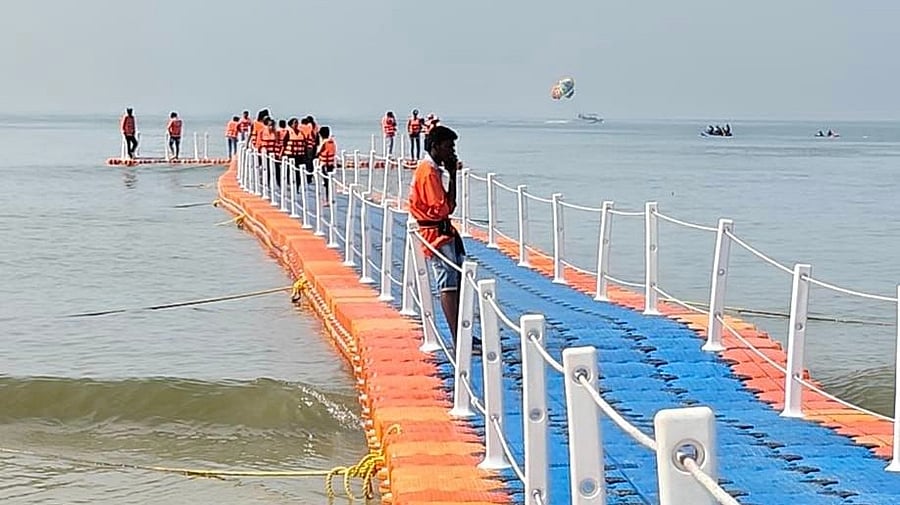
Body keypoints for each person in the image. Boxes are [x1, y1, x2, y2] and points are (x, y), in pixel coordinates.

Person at [408, 125, 464, 341]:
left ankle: (463, 332)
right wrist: (452, 175)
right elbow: (443, 209)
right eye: (449, 147)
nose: (452, 152)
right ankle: (458, 336)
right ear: (435, 147)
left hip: (443, 231)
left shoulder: (432, 170)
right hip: (436, 235)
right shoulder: (428, 172)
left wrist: (452, 175)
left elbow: (449, 207)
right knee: (448, 283)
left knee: (457, 279)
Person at [317, 126, 337, 204]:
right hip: (331, 164)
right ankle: (330, 198)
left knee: (326, 183)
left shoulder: (324, 142)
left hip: (324, 164)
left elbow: (318, 152)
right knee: (329, 182)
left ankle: (327, 199)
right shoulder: (332, 142)